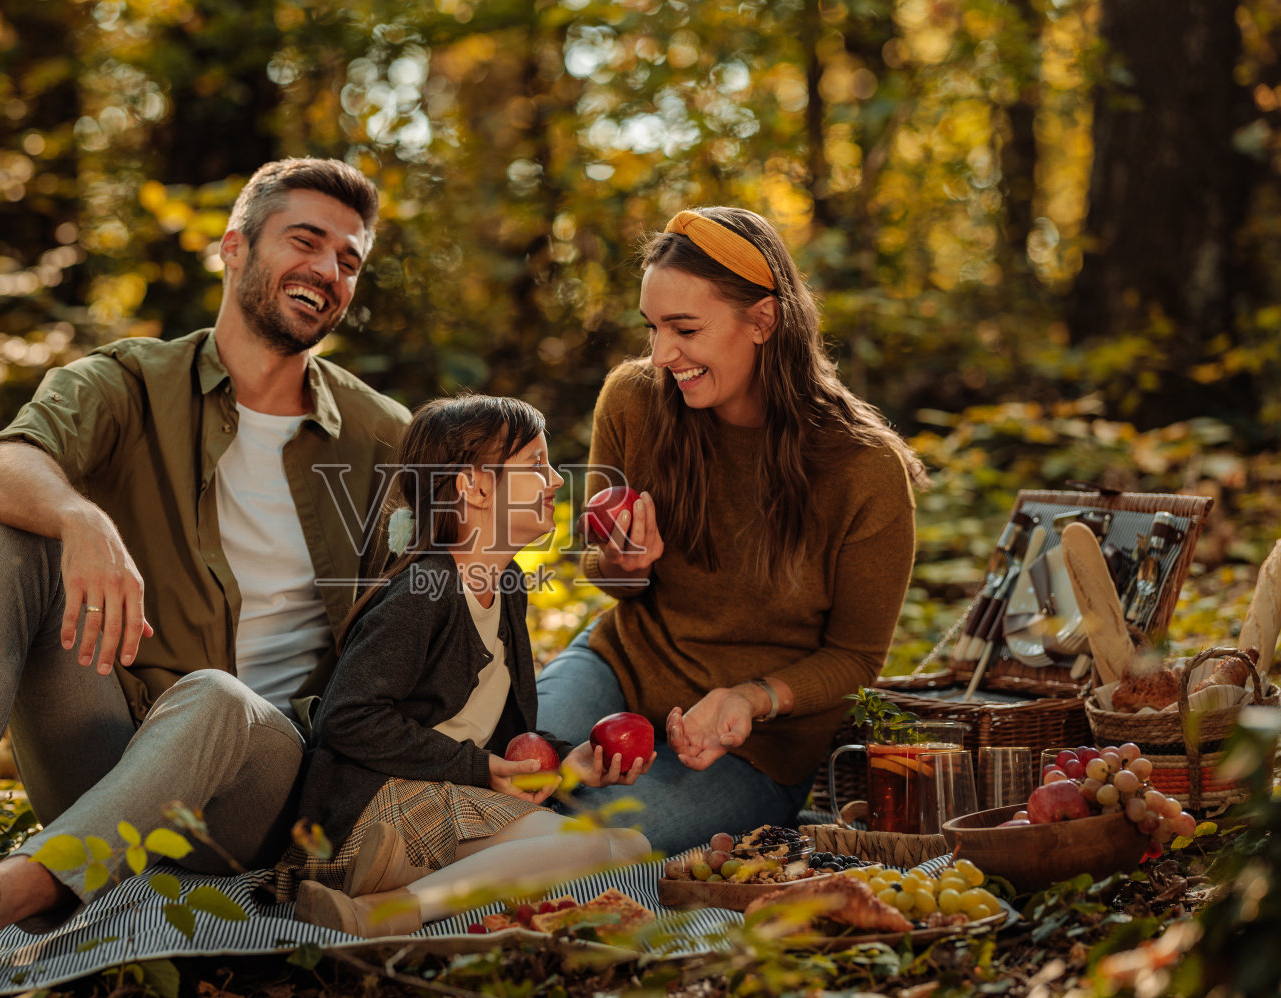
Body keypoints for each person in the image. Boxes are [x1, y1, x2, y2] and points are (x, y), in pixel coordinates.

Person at [0, 158, 411, 993]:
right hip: (112, 753)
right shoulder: (133, 382)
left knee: (214, 698)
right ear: (234, 247)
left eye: (348, 259)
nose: (329, 270)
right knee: (20, 531)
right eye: (306, 241)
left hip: (264, 796)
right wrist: (81, 520)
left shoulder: (384, 435)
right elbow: (0, 466)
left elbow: (442, 601)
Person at [536, 207, 929, 857]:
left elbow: (856, 658)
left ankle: (424, 895)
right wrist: (625, 567)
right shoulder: (633, 400)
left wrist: (754, 698)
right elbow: (604, 576)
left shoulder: (864, 468)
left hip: (756, 745)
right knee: (511, 768)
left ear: (763, 321)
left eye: (685, 328)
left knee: (586, 833)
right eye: (653, 327)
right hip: (622, 667)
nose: (661, 354)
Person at [276, 395, 653, 937]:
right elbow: (347, 718)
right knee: (588, 846)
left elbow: (489, 738)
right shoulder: (422, 593)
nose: (554, 481)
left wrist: (567, 767)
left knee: (631, 846)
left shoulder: (508, 585)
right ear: (474, 488)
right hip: (370, 811)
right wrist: (480, 771)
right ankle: (384, 909)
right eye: (535, 465)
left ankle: (397, 879)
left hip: (443, 797)